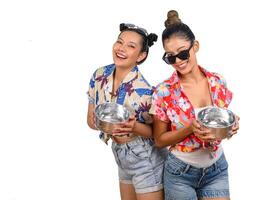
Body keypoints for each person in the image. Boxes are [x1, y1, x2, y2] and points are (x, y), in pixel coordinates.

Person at [151, 10, 240, 200]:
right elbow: (159, 140)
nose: (179, 61)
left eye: (183, 53)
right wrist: (190, 128)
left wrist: (231, 127)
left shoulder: (217, 82)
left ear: (195, 46)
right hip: (180, 174)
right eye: (170, 57)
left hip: (216, 169)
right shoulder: (163, 92)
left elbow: (219, 123)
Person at [87, 23, 166, 200]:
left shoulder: (146, 92)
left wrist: (134, 127)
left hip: (146, 157)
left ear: (141, 55)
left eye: (131, 46)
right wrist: (99, 122)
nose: (121, 49)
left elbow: (159, 136)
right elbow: (91, 122)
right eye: (119, 42)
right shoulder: (99, 76)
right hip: (120, 153)